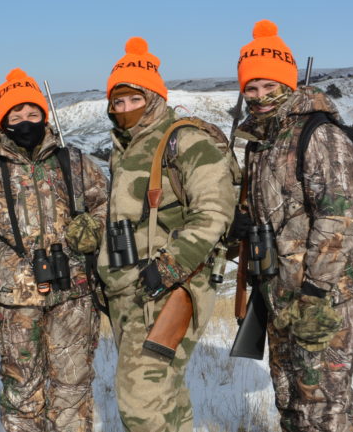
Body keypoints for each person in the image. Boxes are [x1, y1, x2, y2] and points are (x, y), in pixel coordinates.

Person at [0, 68, 109, 432]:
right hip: (14, 305)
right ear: (3, 122)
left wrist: (92, 227)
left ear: (44, 115)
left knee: (72, 390)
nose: (25, 122)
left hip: (73, 296)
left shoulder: (74, 162)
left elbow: (105, 205)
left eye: (32, 113)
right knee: (22, 393)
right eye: (16, 115)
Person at [232, 20, 353, 432]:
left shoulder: (319, 134)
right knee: (290, 399)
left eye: (269, 86)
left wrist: (315, 291)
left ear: (288, 83)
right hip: (278, 290)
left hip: (321, 293)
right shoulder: (262, 141)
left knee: (322, 403)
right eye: (251, 88)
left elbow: (338, 217)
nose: (260, 96)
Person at [97, 37, 236, 432]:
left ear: (155, 97)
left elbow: (214, 211)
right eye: (118, 101)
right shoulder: (125, 148)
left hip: (171, 288)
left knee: (140, 402)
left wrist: (168, 267)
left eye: (135, 99)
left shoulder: (186, 140)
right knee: (166, 391)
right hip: (129, 290)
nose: (127, 108)